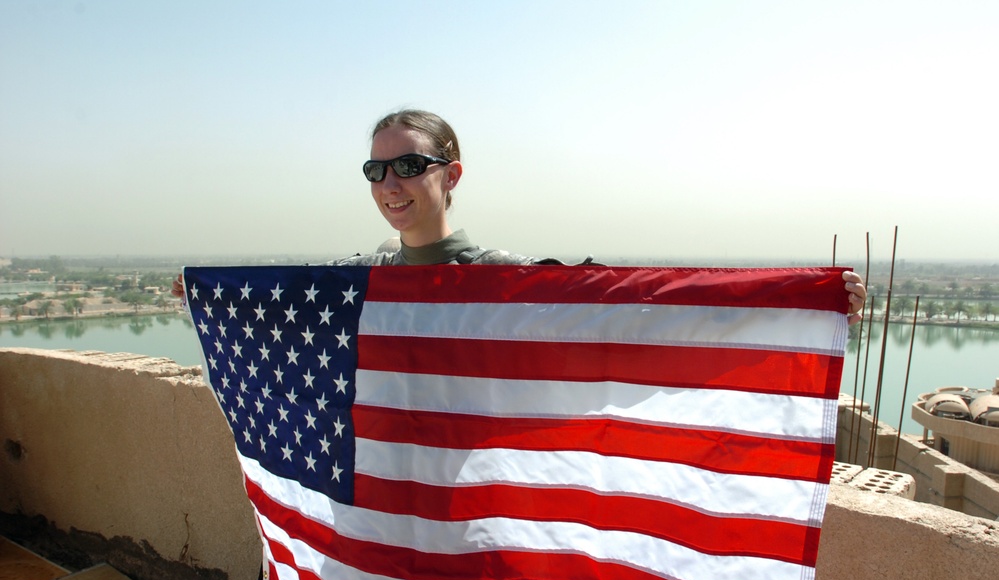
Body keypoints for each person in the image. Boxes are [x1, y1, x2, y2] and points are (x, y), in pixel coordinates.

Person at [172, 108, 866, 319]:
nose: (391, 183)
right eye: (376, 169)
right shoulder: (365, 276)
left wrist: (794, 300)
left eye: (409, 165)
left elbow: (632, 307)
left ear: (451, 175)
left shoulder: (500, 277)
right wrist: (207, 295)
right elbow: (280, 303)